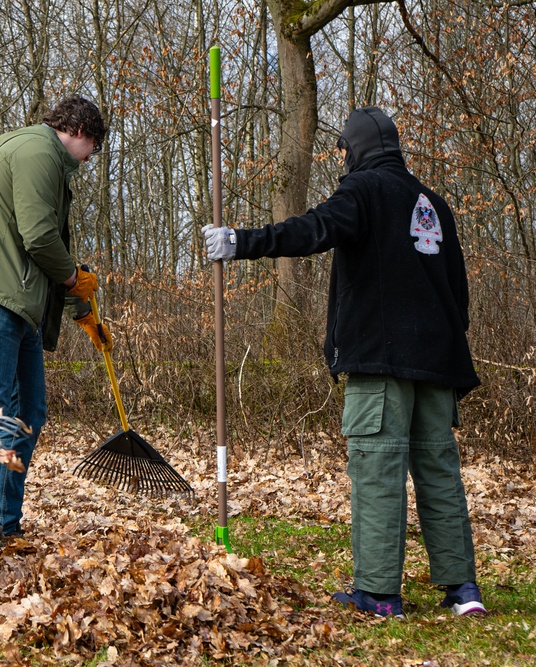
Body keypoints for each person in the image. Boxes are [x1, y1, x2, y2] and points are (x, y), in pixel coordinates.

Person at [203, 106, 486, 618]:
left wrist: (240, 241)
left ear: (355, 150)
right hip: (438, 366)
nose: (341, 158)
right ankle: (463, 591)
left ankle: (378, 594)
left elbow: (313, 230)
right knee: (439, 474)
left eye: (342, 149)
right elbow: (458, 294)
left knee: (377, 472)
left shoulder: (364, 190)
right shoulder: (434, 204)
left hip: (382, 365)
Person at [0, 96, 112, 549]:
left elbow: (41, 243)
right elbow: (38, 236)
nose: (92, 156)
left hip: (17, 300)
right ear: (79, 130)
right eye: (93, 145)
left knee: (29, 412)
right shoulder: (39, 151)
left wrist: (80, 305)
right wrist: (74, 275)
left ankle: (5, 520)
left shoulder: (45, 158)